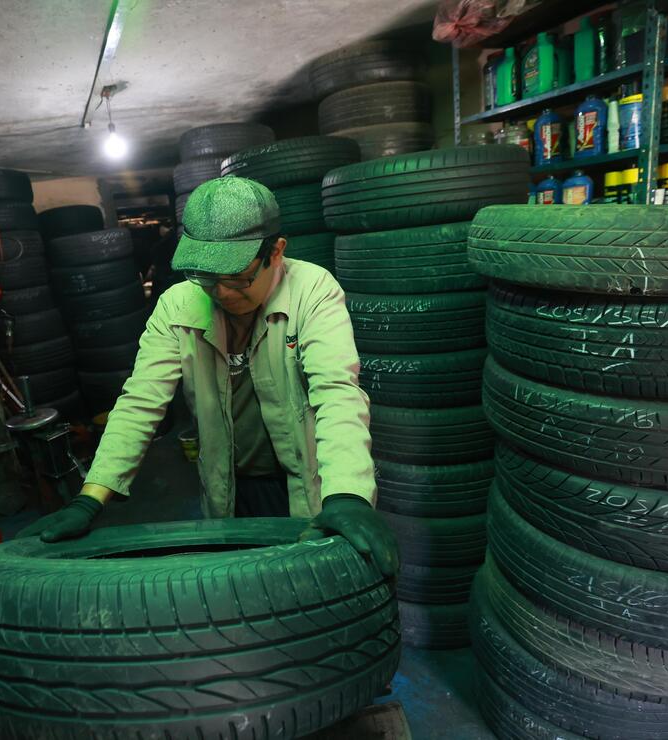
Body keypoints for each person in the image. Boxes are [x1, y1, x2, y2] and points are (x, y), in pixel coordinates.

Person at [20, 176, 398, 576]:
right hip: (228, 484)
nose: (222, 293)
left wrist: (348, 496)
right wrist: (91, 497)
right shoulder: (178, 304)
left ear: (276, 252)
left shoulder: (313, 290)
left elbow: (337, 391)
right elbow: (140, 402)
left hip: (309, 483)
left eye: (236, 278)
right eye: (206, 277)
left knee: (309, 589)